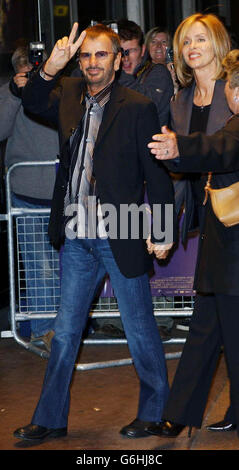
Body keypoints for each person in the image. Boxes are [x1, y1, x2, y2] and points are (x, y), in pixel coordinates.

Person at [13, 22, 175, 443]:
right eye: (85, 56)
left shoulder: (137, 106)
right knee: (64, 333)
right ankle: (50, 420)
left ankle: (156, 413)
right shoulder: (67, 93)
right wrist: (51, 66)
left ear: (119, 60)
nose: (91, 63)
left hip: (121, 231)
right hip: (76, 234)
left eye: (101, 54)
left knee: (139, 327)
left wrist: (161, 229)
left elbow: (156, 175)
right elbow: (30, 99)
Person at [145, 48, 239, 438]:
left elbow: (219, 146)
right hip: (221, 247)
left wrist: (180, 148)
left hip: (234, 255)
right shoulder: (195, 106)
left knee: (232, 337)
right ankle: (181, 411)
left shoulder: (236, 126)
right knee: (205, 329)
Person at [0, 46, 60, 351]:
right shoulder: (9, 93)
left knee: (72, 265)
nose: (33, 69)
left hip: (67, 193)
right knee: (39, 267)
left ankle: (66, 329)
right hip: (28, 192)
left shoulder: (62, 86)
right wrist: (14, 92)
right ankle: (43, 332)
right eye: (27, 66)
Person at [117, 19, 174, 126]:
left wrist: (115, 71)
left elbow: (145, 108)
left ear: (143, 50)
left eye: (132, 50)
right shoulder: (106, 77)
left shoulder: (158, 73)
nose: (126, 58)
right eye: (120, 51)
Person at [145, 26, 179, 94]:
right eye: (154, 42)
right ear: (147, 46)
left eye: (163, 42)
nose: (159, 46)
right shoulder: (141, 71)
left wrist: (174, 85)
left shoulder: (178, 71)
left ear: (169, 46)